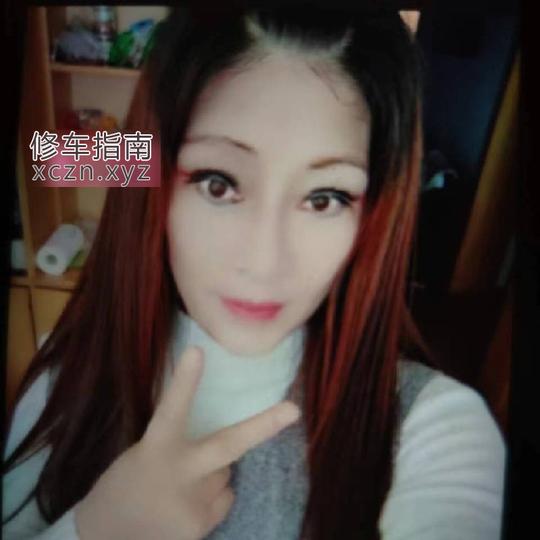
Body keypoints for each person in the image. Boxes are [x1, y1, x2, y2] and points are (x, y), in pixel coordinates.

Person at [3, 4, 506, 539]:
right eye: (218, 184)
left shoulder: (436, 426)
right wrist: (97, 530)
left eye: (324, 199)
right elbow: (50, 158)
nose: (265, 264)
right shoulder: (69, 374)